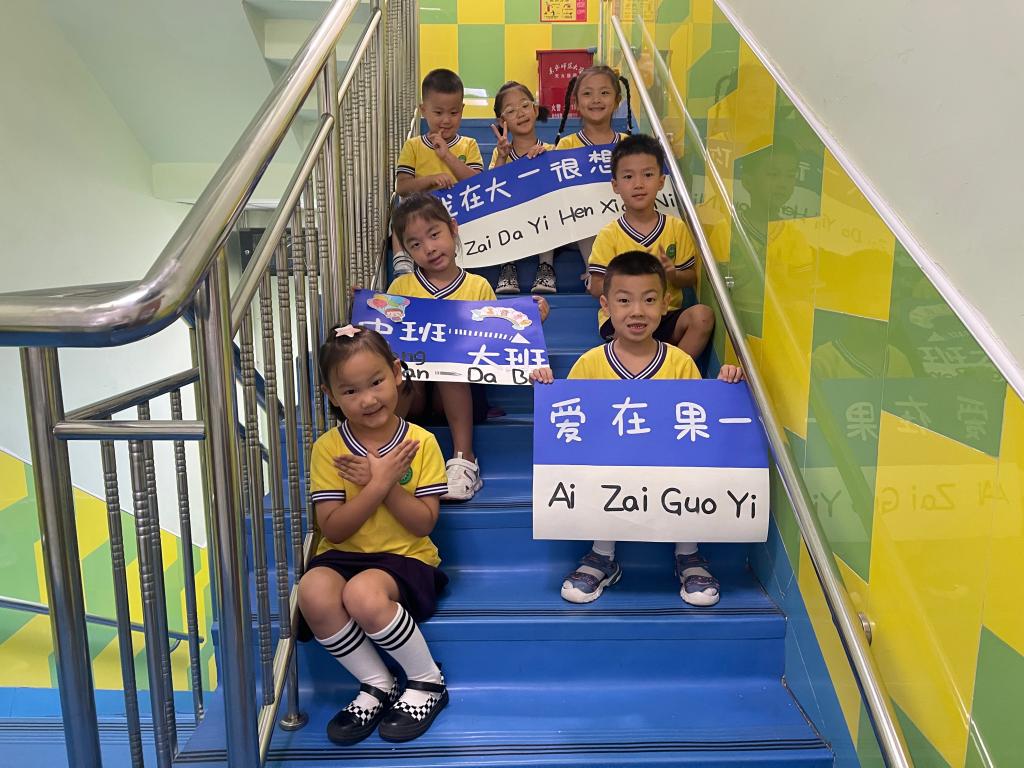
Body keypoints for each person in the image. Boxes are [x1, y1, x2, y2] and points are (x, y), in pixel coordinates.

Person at [531, 251, 744, 606]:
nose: (637, 311)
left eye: (648, 300)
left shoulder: (680, 362)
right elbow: (572, 427)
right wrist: (548, 386)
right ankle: (602, 554)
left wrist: (724, 389)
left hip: (669, 468)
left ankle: (688, 553)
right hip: (610, 468)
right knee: (597, 467)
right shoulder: (589, 363)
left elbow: (699, 425)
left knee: (692, 467)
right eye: (624, 301)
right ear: (605, 306)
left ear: (665, 304)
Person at [297, 326, 449, 745]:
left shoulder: (421, 442)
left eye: (376, 382)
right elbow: (333, 528)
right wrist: (377, 484)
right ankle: (378, 683)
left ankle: (427, 680)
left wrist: (384, 483)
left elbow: (423, 524)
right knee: (313, 590)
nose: (367, 399)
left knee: (363, 594)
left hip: (406, 558)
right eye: (350, 391)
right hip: (342, 553)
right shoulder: (329, 448)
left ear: (397, 373)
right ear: (330, 395)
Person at [388, 193, 550, 502]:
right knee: (396, 371)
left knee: (450, 363)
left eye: (434, 234)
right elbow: (391, 342)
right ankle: (385, 452)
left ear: (453, 228)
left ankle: (465, 459)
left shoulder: (478, 286)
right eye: (416, 244)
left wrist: (532, 321)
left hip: (463, 392)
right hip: (415, 395)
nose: (429, 248)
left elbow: (497, 340)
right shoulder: (401, 288)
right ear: (407, 251)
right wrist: (369, 309)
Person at [588, 133, 715, 361]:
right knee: (625, 327)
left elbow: (690, 277)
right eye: (628, 176)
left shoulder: (676, 227)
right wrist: (626, 283)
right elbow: (596, 286)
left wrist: (672, 274)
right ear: (615, 185)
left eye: (647, 175)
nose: (638, 184)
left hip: (664, 314)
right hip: (623, 318)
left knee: (703, 316)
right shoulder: (609, 235)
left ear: (661, 181)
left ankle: (669, 372)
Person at [391, 68, 484, 276]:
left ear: (462, 110)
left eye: (454, 113)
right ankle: (403, 262)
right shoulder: (413, 146)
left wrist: (447, 156)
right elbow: (402, 187)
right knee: (403, 207)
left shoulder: (469, 145)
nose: (446, 120)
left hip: (457, 213)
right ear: (423, 110)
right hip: (422, 216)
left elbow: (479, 184)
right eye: (438, 113)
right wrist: (431, 180)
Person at [554, 65, 634, 271]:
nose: (596, 99)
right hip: (581, 227)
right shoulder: (567, 145)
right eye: (587, 94)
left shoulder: (628, 144)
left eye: (604, 93)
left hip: (620, 219)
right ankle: (596, 270)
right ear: (576, 102)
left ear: (617, 100)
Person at [488, 81, 557, 296]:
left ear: (535, 110)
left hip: (545, 222)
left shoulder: (552, 150)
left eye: (525, 106)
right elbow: (491, 190)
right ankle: (507, 266)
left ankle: (546, 267)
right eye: (510, 110)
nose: (520, 113)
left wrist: (545, 161)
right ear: (502, 121)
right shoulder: (500, 154)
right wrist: (502, 157)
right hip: (512, 220)